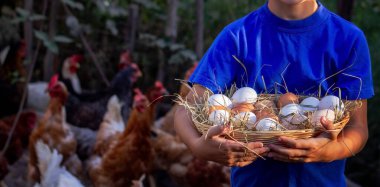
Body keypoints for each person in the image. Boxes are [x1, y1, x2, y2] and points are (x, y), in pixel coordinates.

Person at [174, 0, 374, 186]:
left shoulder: (347, 39)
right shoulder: (238, 36)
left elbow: (357, 128)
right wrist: (197, 146)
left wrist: (328, 152)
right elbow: (186, 110)